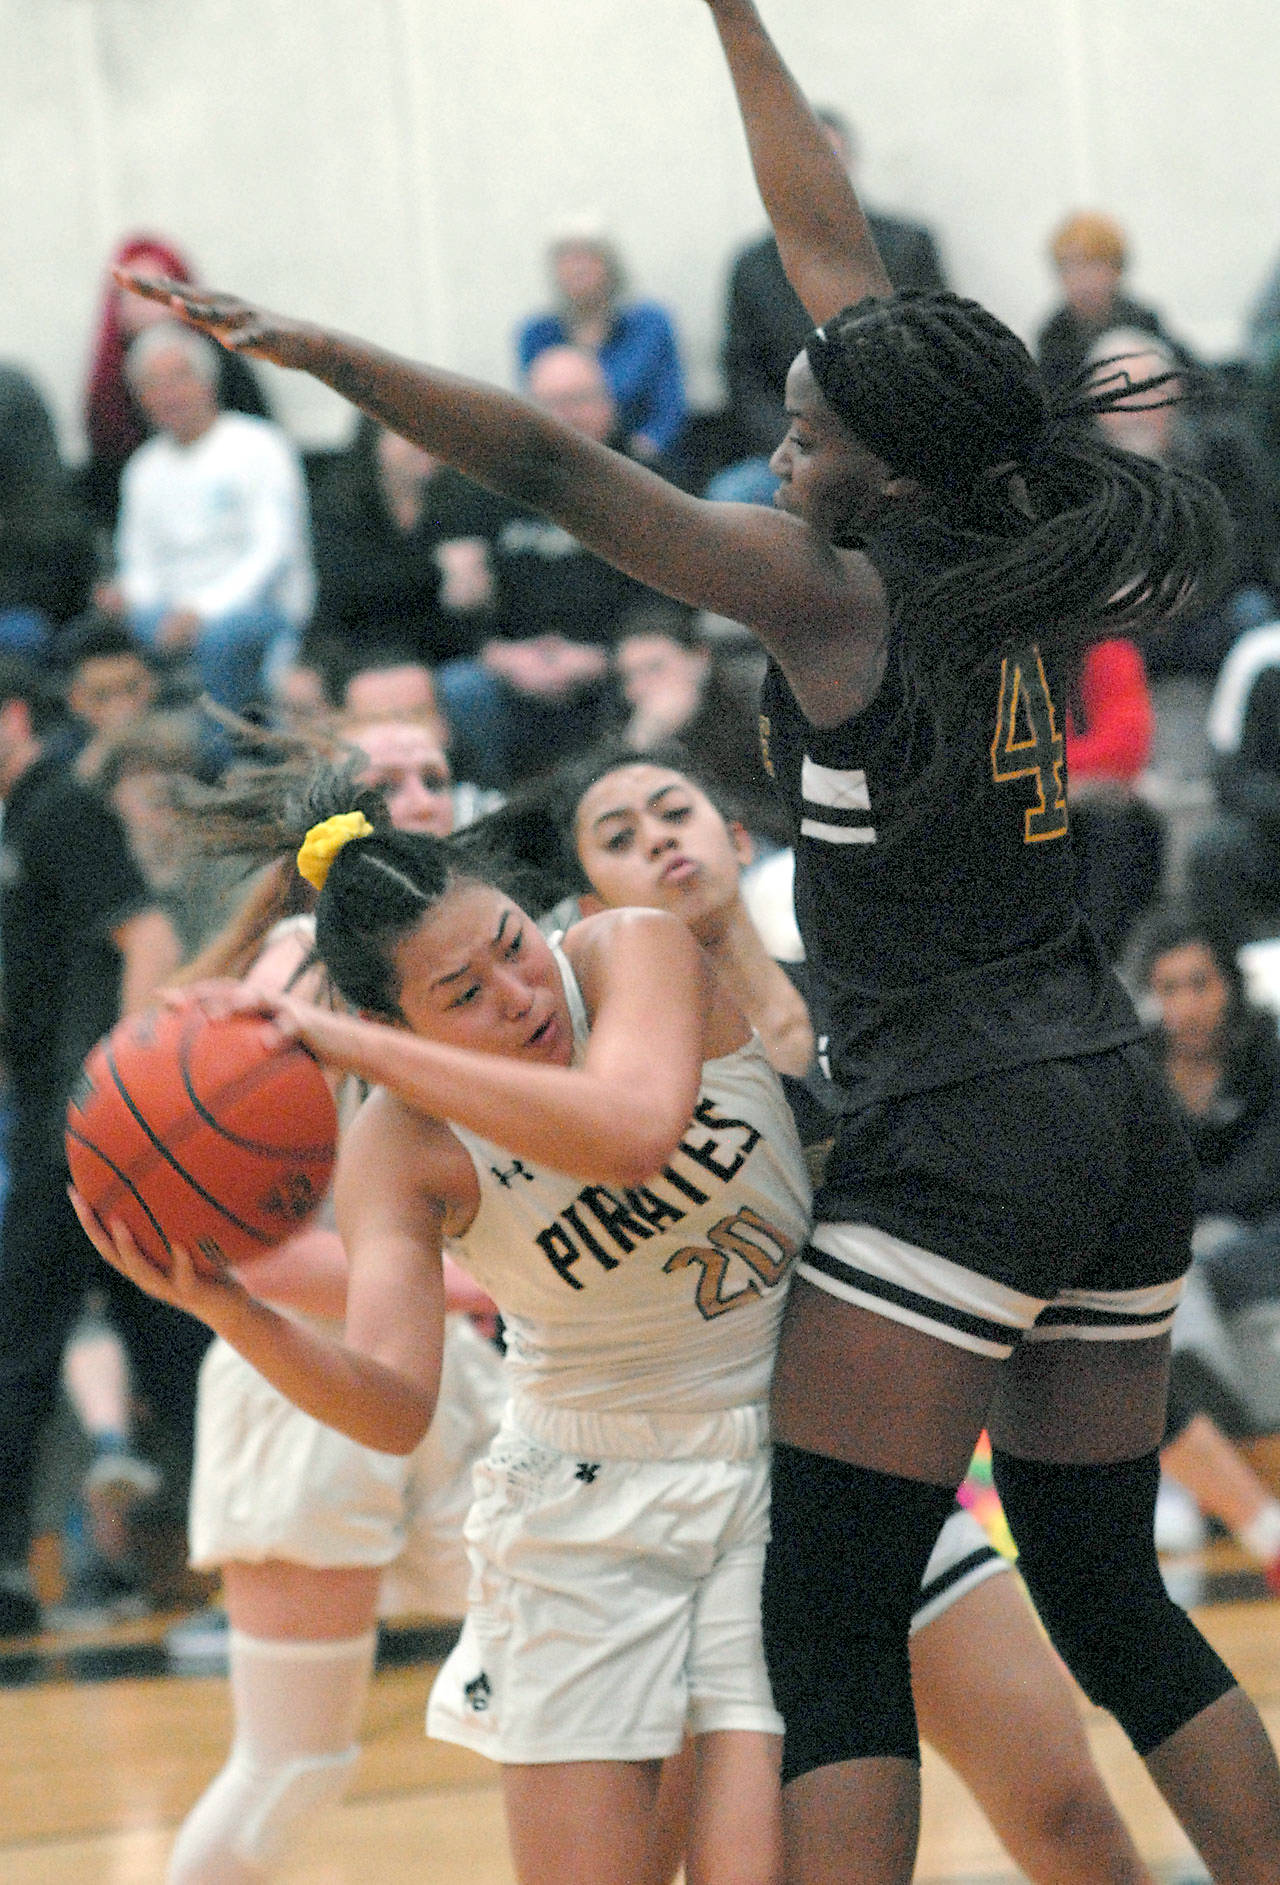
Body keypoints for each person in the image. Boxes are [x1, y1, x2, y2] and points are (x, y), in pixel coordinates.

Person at [107, 0, 1280, 1868]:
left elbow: (568, 478)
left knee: (826, 1630)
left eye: (805, 434)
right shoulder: (1001, 499)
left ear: (875, 472)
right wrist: (737, 24)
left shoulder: (833, 595)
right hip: (1110, 1106)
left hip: (965, 1134)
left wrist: (337, 357)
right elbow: (844, 260)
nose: (779, 444)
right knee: (1117, 1601)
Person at [74, 757, 812, 1885]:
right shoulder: (399, 1146)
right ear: (390, 1016)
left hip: (779, 1456)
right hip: (583, 1504)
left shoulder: (628, 953)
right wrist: (227, 1303)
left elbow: (627, 1133)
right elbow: (392, 1403)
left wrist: (356, 1050)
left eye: (510, 942)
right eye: (459, 992)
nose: (515, 993)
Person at [158, 716, 507, 1885]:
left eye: (435, 773)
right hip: (299, 1374)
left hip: (453, 1365)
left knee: (587, 1692)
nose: (418, 793)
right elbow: (248, 1254)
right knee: (292, 1766)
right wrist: (469, 1279)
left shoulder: (475, 959)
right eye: (386, 779)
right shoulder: (298, 973)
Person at [0, 654, 196, 1637]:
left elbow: (153, 942)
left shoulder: (59, 813)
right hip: (56, 1114)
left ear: (16, 715)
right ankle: (231, 1550)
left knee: (24, 1337)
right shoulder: (20, 821)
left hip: (81, 1125)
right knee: (168, 1336)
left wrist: (115, 1098)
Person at [714, 103, 946, 504]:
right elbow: (743, 375)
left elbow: (938, 349)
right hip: (787, 447)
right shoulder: (751, 267)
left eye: (827, 157)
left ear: (851, 163)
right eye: (801, 162)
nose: (816, 173)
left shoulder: (908, 246)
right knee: (732, 498)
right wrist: (800, 446)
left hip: (897, 447)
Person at [99, 322, 314, 715]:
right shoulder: (143, 467)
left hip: (255, 609)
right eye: (153, 384)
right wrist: (138, 599)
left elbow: (272, 552)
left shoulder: (259, 446)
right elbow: (138, 561)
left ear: (208, 382)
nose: (168, 394)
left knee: (220, 639)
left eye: (179, 378)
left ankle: (223, 756)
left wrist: (202, 611)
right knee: (104, 634)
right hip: (167, 615)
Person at [81, 232, 271, 533]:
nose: (147, 307)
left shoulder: (227, 365)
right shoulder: (108, 391)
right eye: (133, 295)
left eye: (158, 293)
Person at [306, 415, 501, 675]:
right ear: (375, 440)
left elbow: (473, 597)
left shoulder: (463, 499)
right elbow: (348, 586)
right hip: (361, 644)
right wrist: (438, 570)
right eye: (410, 436)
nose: (424, 446)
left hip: (443, 646)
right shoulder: (340, 503)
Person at [516, 222, 688, 462]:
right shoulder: (537, 334)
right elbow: (533, 411)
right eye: (567, 260)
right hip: (561, 461)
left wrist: (638, 462)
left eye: (588, 257)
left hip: (642, 459)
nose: (578, 269)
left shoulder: (649, 324)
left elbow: (669, 407)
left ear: (611, 265)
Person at [1035, 212, 1192, 397]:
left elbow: (1192, 380)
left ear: (1117, 269)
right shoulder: (1052, 337)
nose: (1082, 279)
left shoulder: (1144, 323)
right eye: (1070, 267)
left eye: (1093, 265)